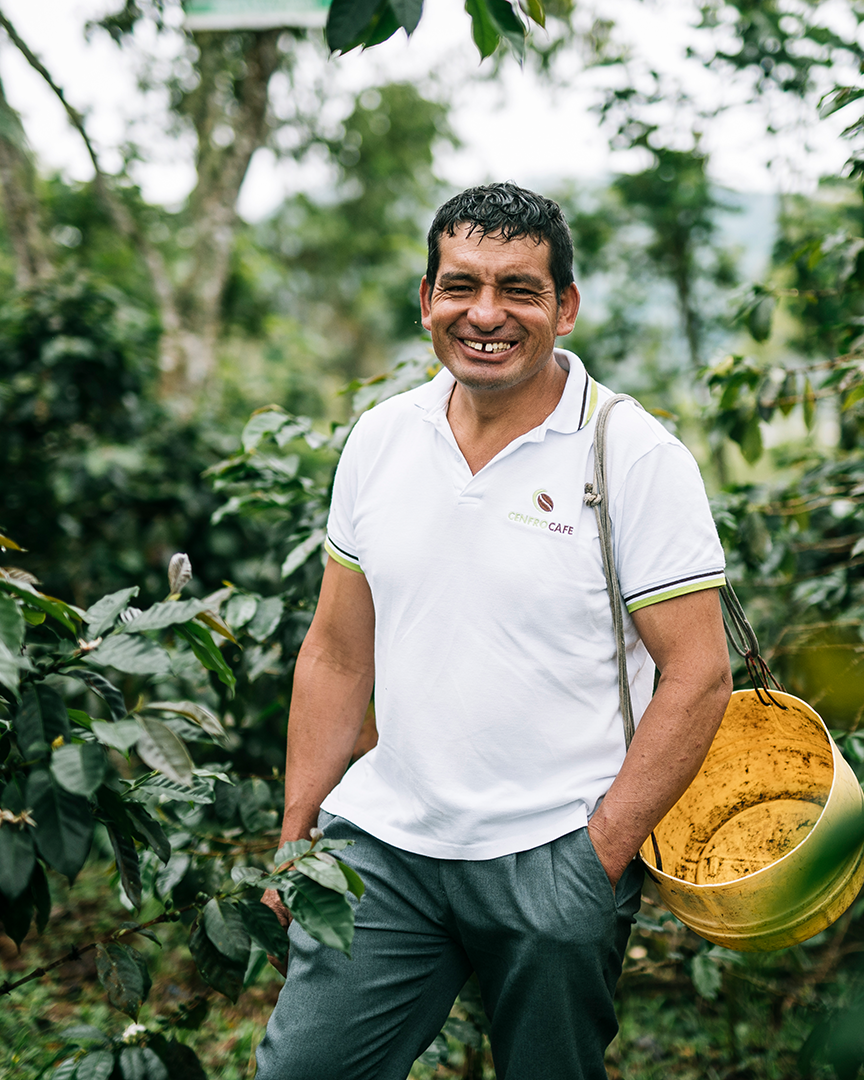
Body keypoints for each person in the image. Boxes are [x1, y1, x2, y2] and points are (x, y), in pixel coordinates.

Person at [256, 182, 732, 1080]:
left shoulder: (630, 455)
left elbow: (699, 675)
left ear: (566, 306)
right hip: (384, 845)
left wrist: (598, 860)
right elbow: (336, 651)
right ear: (427, 299)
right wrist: (298, 827)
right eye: (461, 285)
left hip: (554, 851)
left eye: (518, 288)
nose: (486, 313)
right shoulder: (381, 438)